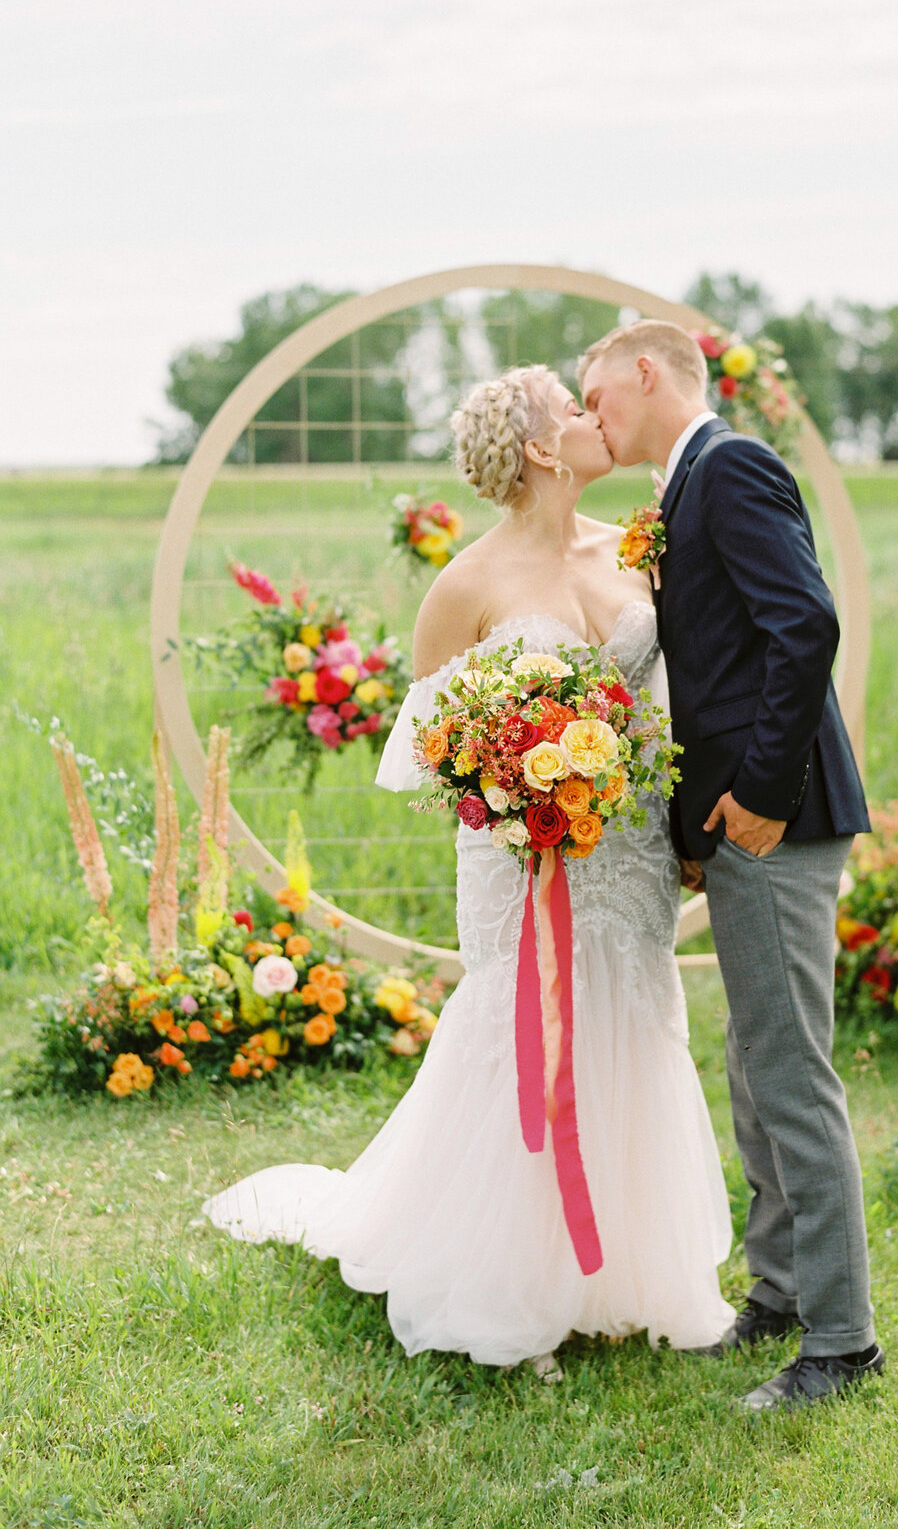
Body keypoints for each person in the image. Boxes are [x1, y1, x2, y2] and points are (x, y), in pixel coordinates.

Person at [202, 366, 735, 1372]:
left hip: (627, 848)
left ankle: (623, 1273)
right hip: (519, 856)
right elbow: (426, 746)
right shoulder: (467, 584)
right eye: (576, 411)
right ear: (539, 446)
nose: (595, 419)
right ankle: (511, 1282)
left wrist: (671, 813)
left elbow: (669, 694)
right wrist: (513, 787)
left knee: (631, 1008)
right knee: (521, 1026)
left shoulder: (632, 547)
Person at [580, 320, 882, 1411]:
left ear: (647, 372)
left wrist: (756, 796)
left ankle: (843, 1342)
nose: (590, 411)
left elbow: (804, 624)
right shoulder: (683, 484)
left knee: (793, 1076)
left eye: (597, 389)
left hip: (782, 817)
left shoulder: (733, 464)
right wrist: (698, 825)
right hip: (735, 824)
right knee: (757, 1067)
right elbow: (719, 661)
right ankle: (784, 1290)